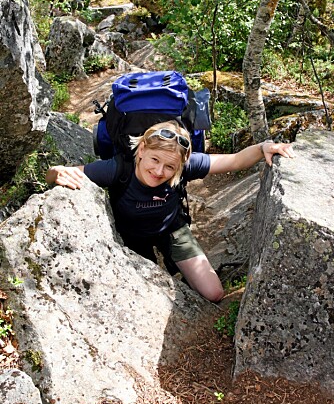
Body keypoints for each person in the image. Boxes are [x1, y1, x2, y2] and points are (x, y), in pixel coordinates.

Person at [45, 120, 295, 303]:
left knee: (214, 293)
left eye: (170, 167)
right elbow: (59, 173)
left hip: (171, 229)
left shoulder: (185, 165)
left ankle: (184, 276)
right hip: (131, 240)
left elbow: (235, 161)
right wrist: (57, 172)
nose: (159, 171)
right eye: (154, 160)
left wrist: (263, 147)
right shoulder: (116, 169)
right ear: (141, 150)